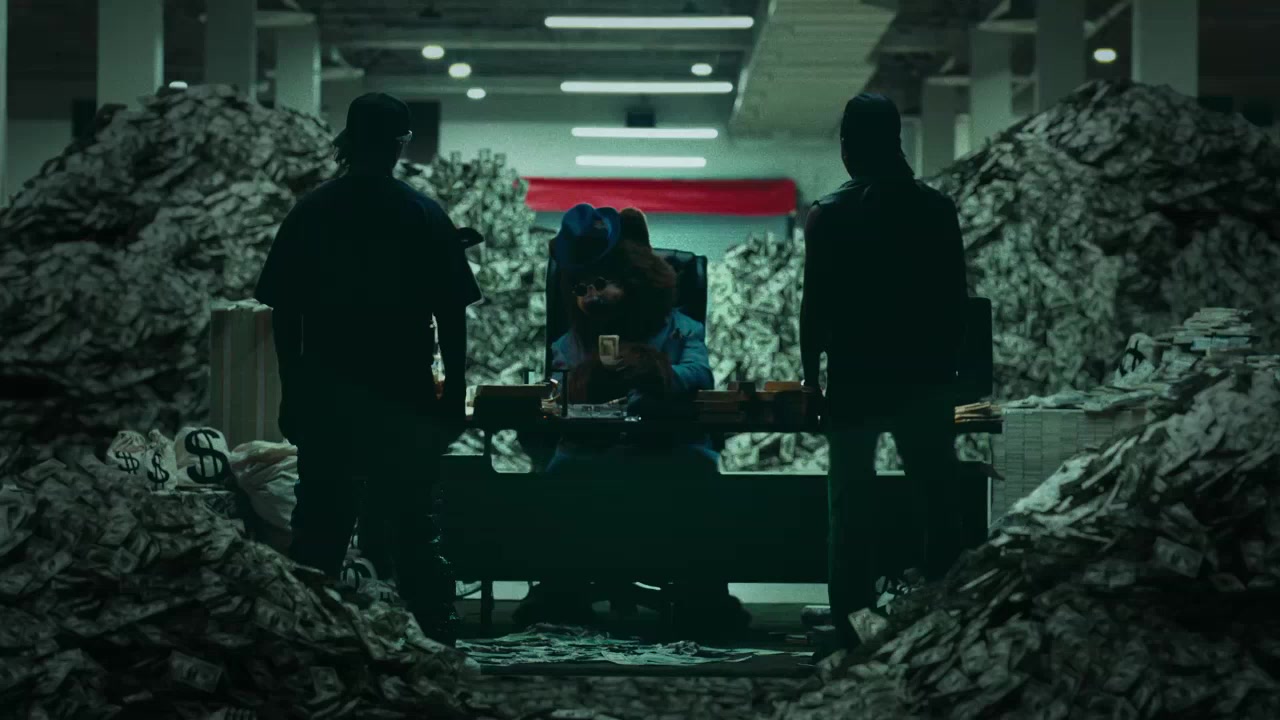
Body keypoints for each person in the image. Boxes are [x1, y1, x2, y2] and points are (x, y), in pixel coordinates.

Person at [254, 92, 482, 645]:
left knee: (320, 527)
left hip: (327, 394)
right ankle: (434, 641)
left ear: (349, 140)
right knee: (412, 525)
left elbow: (285, 315)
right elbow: (452, 315)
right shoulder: (423, 214)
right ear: (401, 144)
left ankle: (309, 644)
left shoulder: (311, 213)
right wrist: (452, 395)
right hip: (403, 396)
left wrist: (292, 391)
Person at [513, 203, 750, 639]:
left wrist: (659, 372)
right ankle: (559, 592)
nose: (592, 297)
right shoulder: (573, 341)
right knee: (559, 474)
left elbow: (700, 374)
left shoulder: (681, 329)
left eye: (603, 284)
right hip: (592, 451)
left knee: (701, 474)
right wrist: (582, 382)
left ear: (636, 282)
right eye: (581, 288)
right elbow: (555, 390)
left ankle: (703, 596)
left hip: (669, 447)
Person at [800, 93, 969, 652]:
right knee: (938, 498)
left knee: (850, 503)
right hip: (925, 377)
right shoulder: (937, 210)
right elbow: (955, 302)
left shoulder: (829, 214)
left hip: (856, 378)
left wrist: (810, 381)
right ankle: (942, 621)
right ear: (896, 141)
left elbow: (815, 310)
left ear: (849, 145)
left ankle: (852, 626)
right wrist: (951, 376)